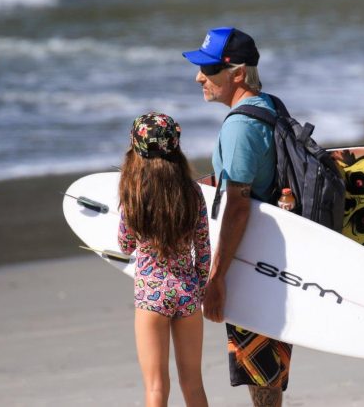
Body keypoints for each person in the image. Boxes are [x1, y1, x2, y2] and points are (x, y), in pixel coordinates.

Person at [182, 27, 291, 407]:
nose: (199, 77)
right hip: (276, 252)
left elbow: (238, 205)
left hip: (253, 257)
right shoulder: (269, 106)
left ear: (238, 73)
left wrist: (218, 276)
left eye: (209, 68)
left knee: (259, 366)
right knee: (267, 365)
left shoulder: (240, 127)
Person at [117, 112, 210, 407]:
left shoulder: (134, 193)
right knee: (193, 384)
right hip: (187, 293)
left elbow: (125, 245)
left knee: (156, 388)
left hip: (150, 297)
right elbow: (204, 251)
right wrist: (198, 283)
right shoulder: (193, 192)